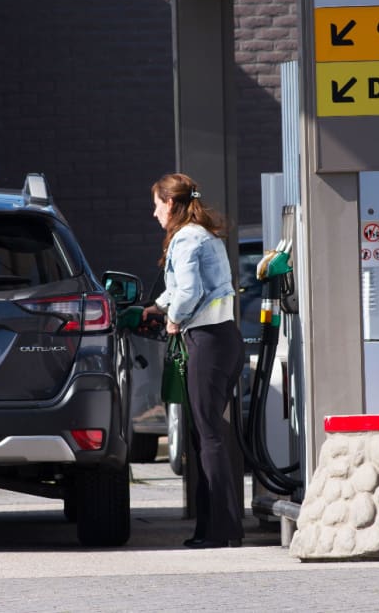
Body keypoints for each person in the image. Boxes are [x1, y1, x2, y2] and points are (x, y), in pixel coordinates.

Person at [143, 172, 245, 549]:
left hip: (206, 341)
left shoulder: (186, 237)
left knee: (208, 435)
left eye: (156, 205)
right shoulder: (205, 235)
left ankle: (220, 531)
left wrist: (172, 320)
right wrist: (155, 308)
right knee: (208, 434)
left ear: (170, 204)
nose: (155, 214)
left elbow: (189, 290)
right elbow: (180, 289)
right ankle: (217, 527)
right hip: (224, 340)